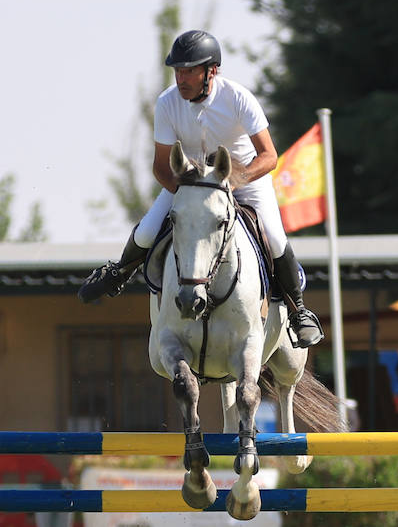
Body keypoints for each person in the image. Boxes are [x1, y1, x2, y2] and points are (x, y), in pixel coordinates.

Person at [78, 29, 323, 347]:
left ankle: (299, 311)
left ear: (212, 71)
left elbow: (269, 156)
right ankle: (117, 272)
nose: (182, 78)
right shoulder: (167, 103)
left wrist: (235, 183)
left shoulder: (236, 97)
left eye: (190, 70)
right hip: (192, 183)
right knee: (147, 232)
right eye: (178, 71)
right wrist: (187, 195)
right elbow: (161, 167)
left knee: (274, 238)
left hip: (245, 180)